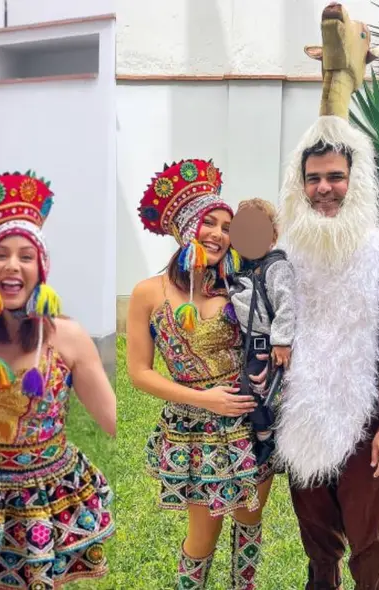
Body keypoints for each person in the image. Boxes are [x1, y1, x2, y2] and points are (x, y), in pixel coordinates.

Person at [274, 111, 379, 589]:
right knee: (316, 532)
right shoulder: (287, 252)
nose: (324, 188)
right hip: (304, 417)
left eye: (336, 177)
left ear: (355, 180)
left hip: (367, 423)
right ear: (300, 184)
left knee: (372, 534)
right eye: (314, 178)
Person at [0, 172, 117, 588]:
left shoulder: (67, 336)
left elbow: (113, 417)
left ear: (41, 267)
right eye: (1, 254)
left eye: (26, 255)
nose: (13, 266)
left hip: (45, 496)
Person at [127, 158, 274, 589]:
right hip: (193, 430)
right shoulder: (147, 293)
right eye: (209, 222)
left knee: (250, 522)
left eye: (227, 227)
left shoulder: (240, 286)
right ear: (186, 228)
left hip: (251, 423)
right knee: (202, 536)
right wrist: (204, 398)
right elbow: (138, 372)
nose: (219, 234)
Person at [227, 198, 296, 465]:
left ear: (272, 236)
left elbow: (287, 304)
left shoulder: (275, 266)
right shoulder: (241, 267)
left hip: (265, 343)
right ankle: (266, 432)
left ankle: (268, 439)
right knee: (250, 387)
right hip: (247, 342)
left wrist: (281, 342)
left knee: (253, 389)